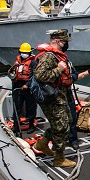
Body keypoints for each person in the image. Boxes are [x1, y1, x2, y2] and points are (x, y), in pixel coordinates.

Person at [31, 29, 76, 168]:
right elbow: (40, 75)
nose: (65, 45)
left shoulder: (58, 56)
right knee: (60, 126)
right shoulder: (49, 56)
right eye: (64, 42)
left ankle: (43, 143)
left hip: (61, 96)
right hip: (53, 98)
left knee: (67, 122)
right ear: (58, 41)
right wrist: (59, 69)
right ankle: (59, 158)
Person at [8, 42, 37, 135]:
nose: (24, 54)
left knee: (31, 107)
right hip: (17, 86)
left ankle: (31, 125)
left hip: (29, 88)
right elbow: (12, 73)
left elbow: (34, 76)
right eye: (22, 52)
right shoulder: (17, 61)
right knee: (17, 107)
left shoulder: (33, 62)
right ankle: (16, 126)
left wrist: (27, 85)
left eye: (26, 53)